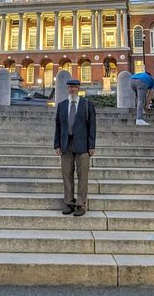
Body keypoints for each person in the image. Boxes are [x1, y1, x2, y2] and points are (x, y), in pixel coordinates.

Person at [53, 79, 96, 216]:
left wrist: (91, 145)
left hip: (83, 145)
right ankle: (69, 202)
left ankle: (81, 204)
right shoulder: (62, 105)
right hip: (66, 144)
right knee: (66, 174)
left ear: (79, 89)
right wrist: (57, 144)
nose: (72, 89)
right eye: (69, 87)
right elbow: (58, 126)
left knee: (83, 175)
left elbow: (92, 127)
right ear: (67, 89)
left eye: (74, 87)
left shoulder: (87, 105)